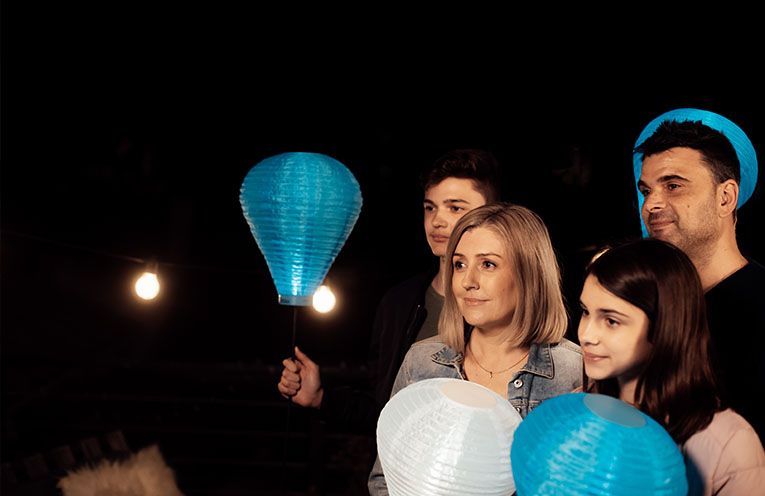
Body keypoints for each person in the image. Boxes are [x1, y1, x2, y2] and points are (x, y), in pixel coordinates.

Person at [277, 150, 501, 432]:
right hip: (400, 459)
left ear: (492, 214)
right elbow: (384, 409)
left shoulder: (503, 304)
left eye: (455, 208)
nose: (437, 220)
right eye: (430, 207)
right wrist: (321, 399)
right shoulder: (399, 302)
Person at [368, 202, 583, 494]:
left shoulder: (572, 369)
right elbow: (384, 480)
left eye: (488, 264)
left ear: (529, 274)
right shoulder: (423, 361)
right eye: (459, 264)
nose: (468, 281)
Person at [578, 239, 765, 495]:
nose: (586, 335)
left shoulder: (729, 442)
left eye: (611, 320)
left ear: (664, 326)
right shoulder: (576, 410)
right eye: (585, 312)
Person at [633, 109, 764, 440]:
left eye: (673, 186)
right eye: (646, 190)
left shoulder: (760, 306)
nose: (651, 205)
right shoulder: (647, 308)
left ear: (726, 198)